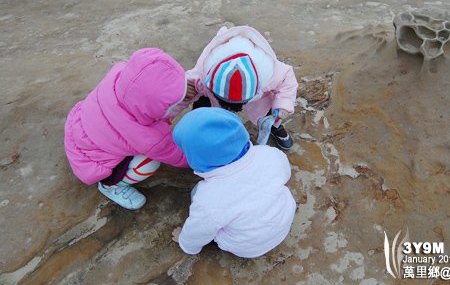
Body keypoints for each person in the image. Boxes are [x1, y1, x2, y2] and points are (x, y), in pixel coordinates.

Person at [64, 48, 189, 210]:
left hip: (78, 129)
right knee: (148, 164)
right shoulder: (149, 137)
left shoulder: (118, 74)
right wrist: (211, 158)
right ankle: (110, 186)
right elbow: (178, 156)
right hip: (91, 162)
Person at [171, 107, 296, 258]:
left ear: (196, 159)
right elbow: (285, 174)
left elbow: (197, 232)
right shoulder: (269, 153)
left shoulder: (208, 200)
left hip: (248, 246)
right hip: (283, 222)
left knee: (197, 195)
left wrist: (185, 242)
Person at [180, 25, 298, 150]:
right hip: (209, 91)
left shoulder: (268, 71)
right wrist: (163, 116)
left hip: (256, 94)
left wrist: (283, 105)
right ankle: (203, 130)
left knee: (270, 108)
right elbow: (177, 94)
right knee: (201, 109)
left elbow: (287, 79)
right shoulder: (201, 73)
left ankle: (273, 126)